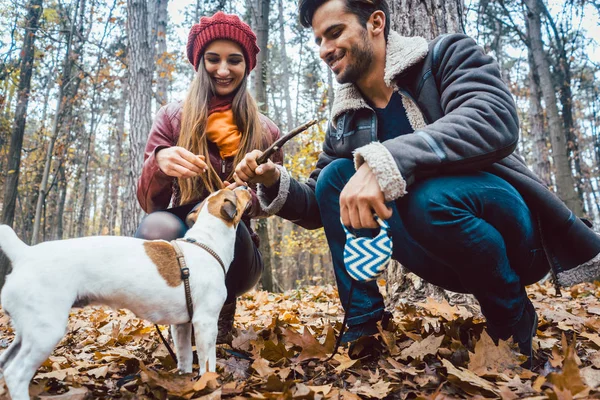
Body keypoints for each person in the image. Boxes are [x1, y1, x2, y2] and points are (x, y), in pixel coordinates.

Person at [232, 0, 600, 368]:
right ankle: (363, 326)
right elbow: (322, 203)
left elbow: (492, 119)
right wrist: (274, 180)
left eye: (335, 32)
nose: (325, 49)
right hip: (436, 254)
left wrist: (384, 160)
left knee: (429, 197)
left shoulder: (445, 56)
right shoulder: (346, 118)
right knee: (334, 176)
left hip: (514, 237)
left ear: (376, 22)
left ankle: (512, 319)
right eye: (318, 40)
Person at [136, 11, 283, 344]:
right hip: (182, 233)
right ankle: (180, 316)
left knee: (227, 232)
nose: (223, 69)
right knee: (156, 228)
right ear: (199, 63)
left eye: (234, 60)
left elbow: (272, 202)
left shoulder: (266, 131)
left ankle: (221, 314)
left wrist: (246, 196)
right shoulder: (172, 118)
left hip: (238, 247)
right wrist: (159, 164)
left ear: (246, 66)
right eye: (213, 59)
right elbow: (149, 203)